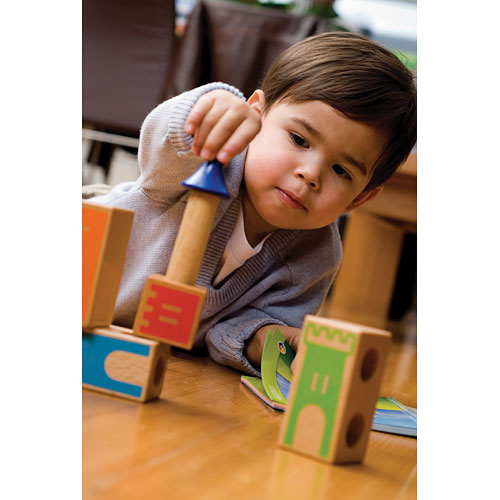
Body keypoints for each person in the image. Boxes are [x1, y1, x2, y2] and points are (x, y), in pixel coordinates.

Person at [90, 32, 417, 376]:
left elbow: (240, 328)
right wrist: (215, 109)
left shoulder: (316, 256)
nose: (310, 174)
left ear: (360, 198)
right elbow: (164, 145)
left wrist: (276, 341)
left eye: (341, 170)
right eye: (299, 139)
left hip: (126, 355)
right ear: (256, 114)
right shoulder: (204, 162)